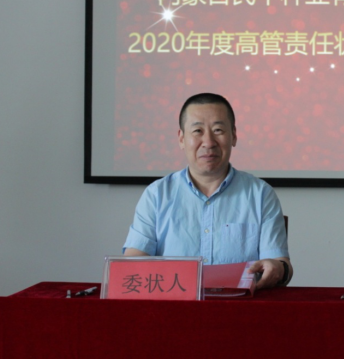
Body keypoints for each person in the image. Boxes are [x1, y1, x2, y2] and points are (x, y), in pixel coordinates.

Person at [123, 93, 292, 290]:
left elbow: (281, 264)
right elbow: (133, 262)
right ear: (181, 139)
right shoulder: (156, 195)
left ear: (234, 135)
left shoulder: (261, 194)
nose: (209, 142)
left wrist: (279, 268)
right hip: (174, 305)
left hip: (240, 305)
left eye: (218, 130)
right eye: (197, 131)